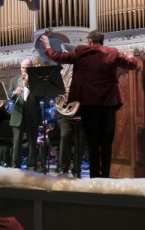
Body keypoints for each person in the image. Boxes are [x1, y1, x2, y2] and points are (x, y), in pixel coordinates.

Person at [41, 30, 138, 178]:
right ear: (101, 41)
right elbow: (131, 65)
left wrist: (47, 46)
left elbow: (58, 56)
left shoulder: (81, 52)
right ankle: (105, 176)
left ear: (90, 41)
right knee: (106, 142)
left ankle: (94, 176)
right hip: (108, 103)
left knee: (92, 142)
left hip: (88, 103)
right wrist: (130, 54)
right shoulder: (113, 52)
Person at [8, 58, 42, 170]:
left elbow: (41, 96)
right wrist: (14, 92)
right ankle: (15, 166)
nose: (25, 70)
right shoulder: (14, 80)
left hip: (32, 115)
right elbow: (9, 96)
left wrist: (29, 84)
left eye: (27, 68)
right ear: (20, 68)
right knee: (16, 143)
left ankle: (31, 166)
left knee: (32, 143)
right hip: (17, 115)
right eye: (23, 67)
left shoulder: (37, 80)